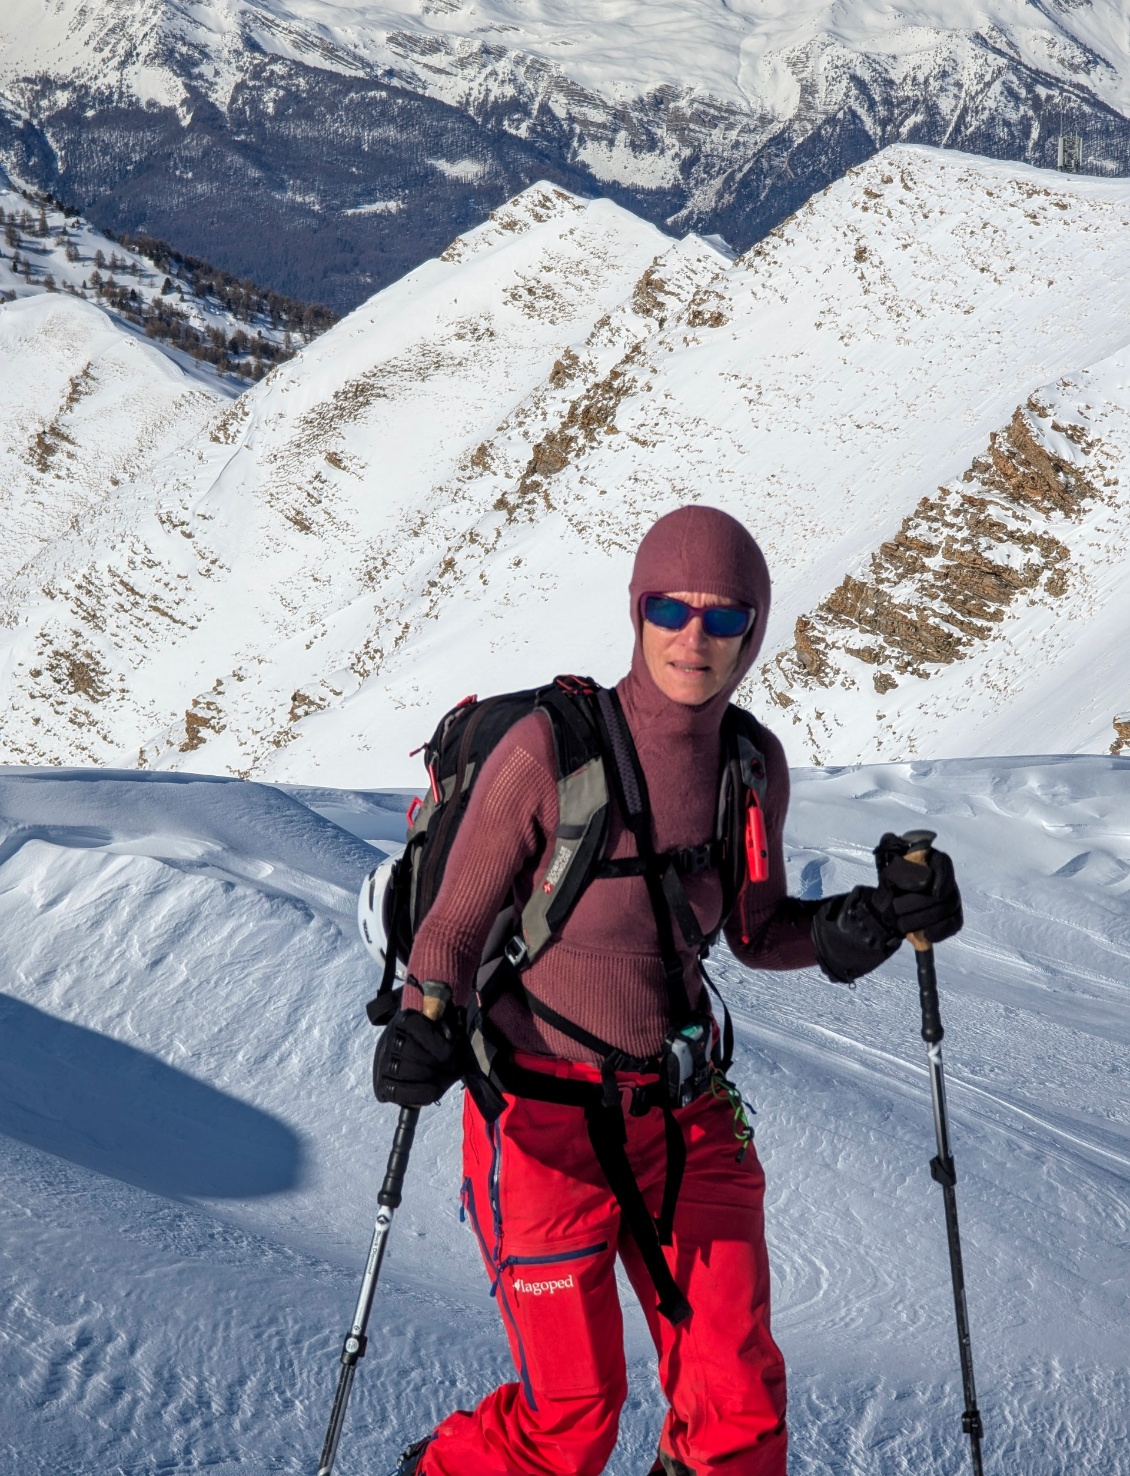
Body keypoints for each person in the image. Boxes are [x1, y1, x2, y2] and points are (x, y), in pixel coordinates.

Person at [374, 505, 962, 1476]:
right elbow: (450, 928)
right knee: (569, 1423)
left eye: (723, 616)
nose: (694, 637)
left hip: (683, 1120)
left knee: (737, 1415)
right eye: (669, 609)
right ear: (636, 612)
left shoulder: (747, 766)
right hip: (537, 1123)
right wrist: (420, 1019)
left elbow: (754, 933)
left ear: (754, 626)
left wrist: (867, 920)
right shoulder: (546, 751)